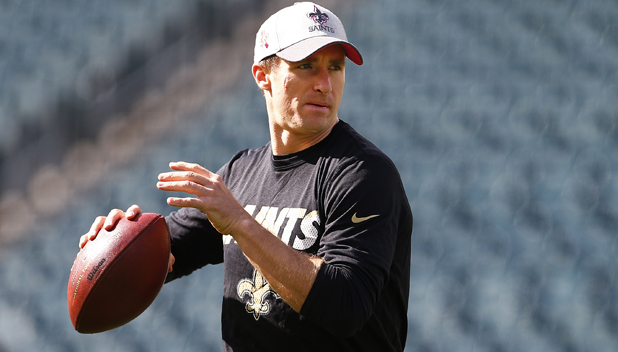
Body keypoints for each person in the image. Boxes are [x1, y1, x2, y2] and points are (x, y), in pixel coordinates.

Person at [79, 2, 412, 351]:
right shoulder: (241, 174)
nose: (325, 84)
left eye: (336, 67)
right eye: (306, 66)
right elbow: (165, 255)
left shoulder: (363, 174)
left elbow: (345, 306)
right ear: (262, 75)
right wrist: (118, 242)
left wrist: (241, 222)